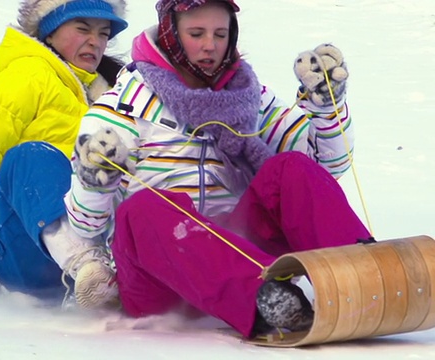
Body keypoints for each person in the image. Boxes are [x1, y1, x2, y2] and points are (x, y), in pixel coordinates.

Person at [65, 0, 372, 338]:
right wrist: (93, 182)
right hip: (162, 282)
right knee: (143, 209)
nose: (210, 45)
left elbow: (324, 168)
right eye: (196, 33)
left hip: (243, 249)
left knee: (290, 168)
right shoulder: (121, 108)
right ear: (171, 35)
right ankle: (270, 302)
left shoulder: (248, 97)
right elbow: (85, 225)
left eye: (220, 33)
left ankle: (365, 278)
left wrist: (326, 109)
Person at [0, 0, 128, 308]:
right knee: (31, 158)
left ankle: (112, 279)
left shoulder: (112, 96)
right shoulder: (27, 75)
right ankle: (86, 267)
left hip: (89, 248)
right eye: (83, 29)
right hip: (12, 244)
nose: (95, 41)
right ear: (49, 32)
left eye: (104, 33)